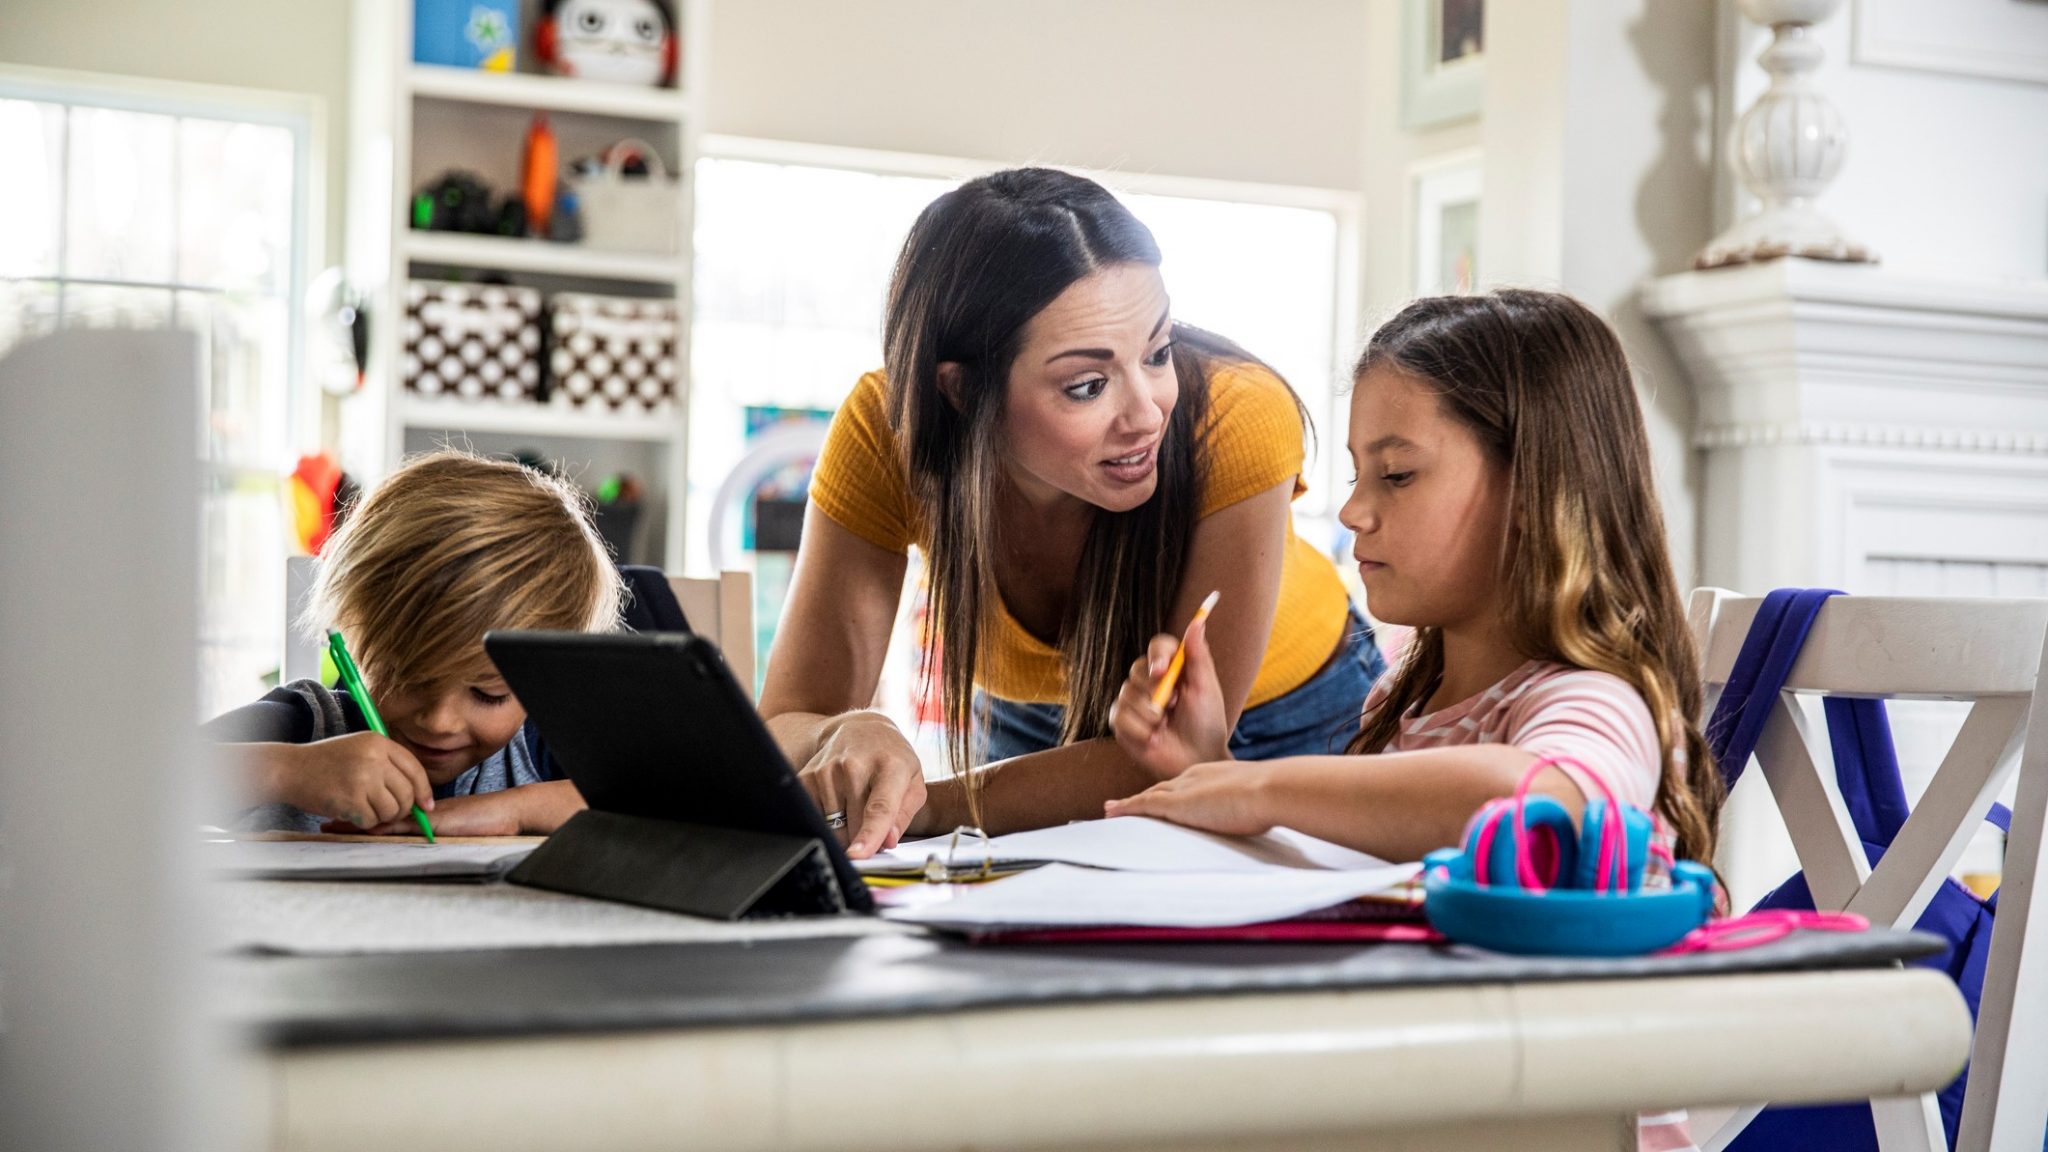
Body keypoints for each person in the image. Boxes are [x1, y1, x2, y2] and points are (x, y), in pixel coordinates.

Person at [761, 168, 1384, 857]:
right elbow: (789, 720)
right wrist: (842, 731)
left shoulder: (1239, 413)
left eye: (1158, 353)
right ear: (961, 392)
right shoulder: (888, 434)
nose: (1147, 414)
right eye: (1087, 385)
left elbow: (1160, 751)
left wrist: (929, 803)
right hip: (1028, 740)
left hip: (1290, 724)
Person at [1106, 289, 1726, 874]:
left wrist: (1262, 786)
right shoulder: (1403, 700)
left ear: (1535, 490)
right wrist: (1209, 764)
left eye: (1397, 474)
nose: (1353, 513)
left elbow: (1546, 804)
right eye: (1357, 477)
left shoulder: (1595, 700)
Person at [205, 449, 623, 836]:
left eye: (487, 693)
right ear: (353, 627)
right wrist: (288, 771)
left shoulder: (539, 744)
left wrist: (513, 811)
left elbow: (674, 806)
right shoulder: (307, 727)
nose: (440, 721)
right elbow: (146, 777)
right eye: (409, 676)